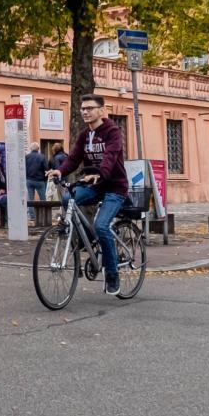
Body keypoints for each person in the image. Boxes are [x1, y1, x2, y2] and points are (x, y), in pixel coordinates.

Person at [61, 94, 132, 296]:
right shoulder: (85, 135)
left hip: (114, 187)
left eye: (90, 108)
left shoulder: (112, 132)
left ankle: (112, 273)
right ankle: (89, 239)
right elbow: (73, 159)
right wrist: (60, 171)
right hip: (95, 185)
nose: (85, 111)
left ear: (101, 110)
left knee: (102, 225)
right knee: (68, 199)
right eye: (83, 108)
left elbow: (110, 156)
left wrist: (99, 173)